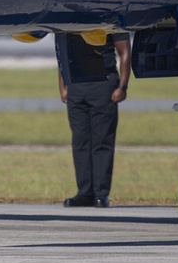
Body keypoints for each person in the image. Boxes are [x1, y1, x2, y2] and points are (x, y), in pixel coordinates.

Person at [55, 31, 131, 208]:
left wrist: (123, 86)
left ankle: (101, 194)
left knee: (102, 141)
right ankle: (84, 193)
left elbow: (125, 52)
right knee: (80, 142)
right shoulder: (70, 22)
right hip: (76, 86)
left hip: (103, 84)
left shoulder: (110, 18)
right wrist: (63, 87)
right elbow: (63, 55)